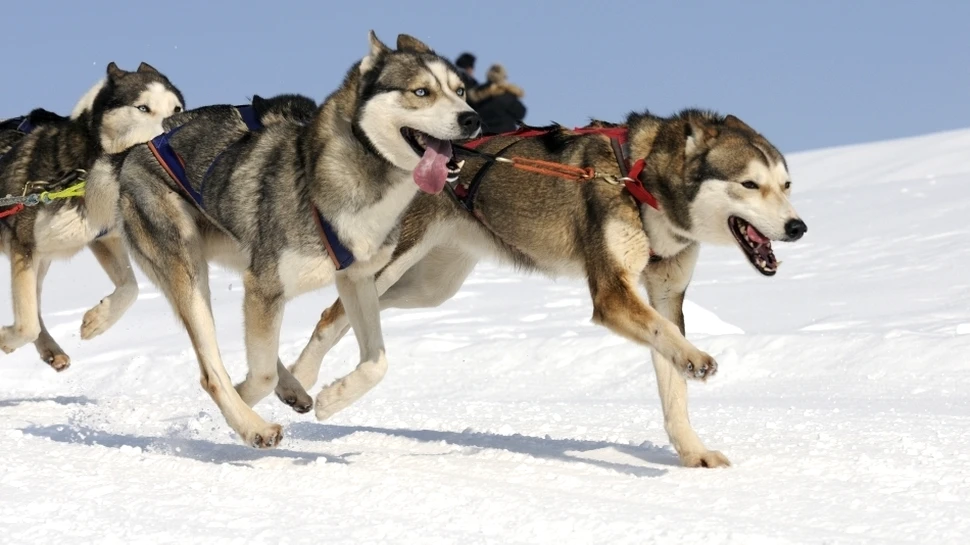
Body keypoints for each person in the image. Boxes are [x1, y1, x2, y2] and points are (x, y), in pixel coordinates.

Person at [469, 63, 527, 134]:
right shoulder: (508, 95)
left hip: (483, 135)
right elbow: (521, 113)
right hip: (505, 135)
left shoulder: (477, 95)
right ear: (504, 77)